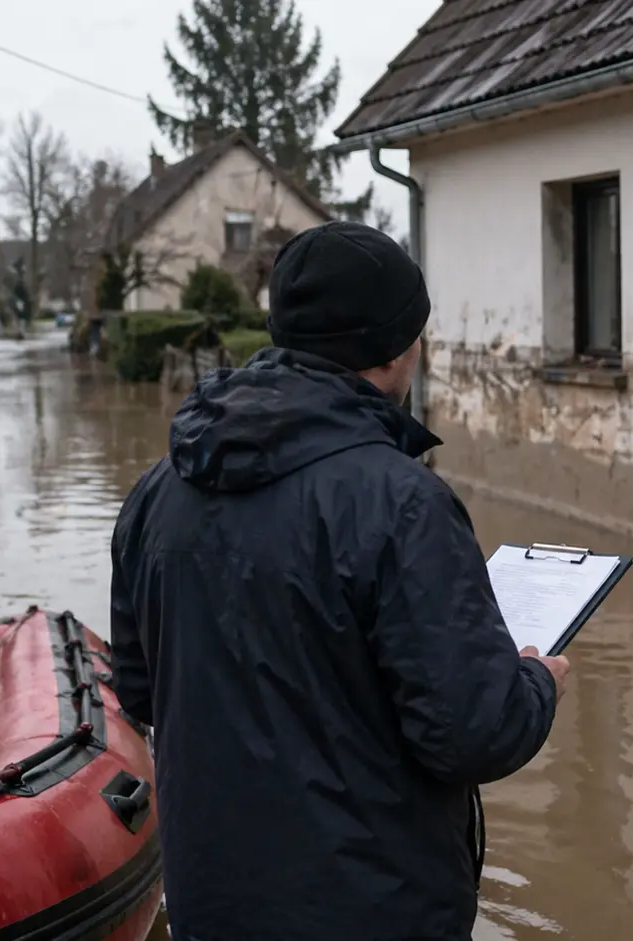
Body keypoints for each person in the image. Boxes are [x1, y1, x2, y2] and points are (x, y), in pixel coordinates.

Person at [109, 221, 570, 941]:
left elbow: (139, 689)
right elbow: (475, 732)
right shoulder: (403, 502)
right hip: (371, 911)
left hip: (213, 903)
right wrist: (538, 682)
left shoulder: (159, 488)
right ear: (399, 347)